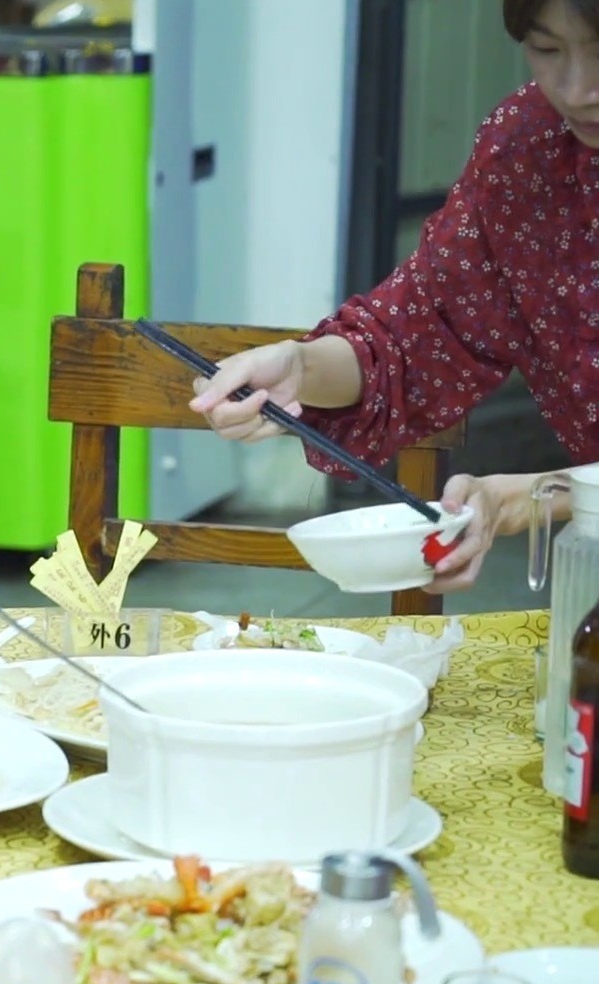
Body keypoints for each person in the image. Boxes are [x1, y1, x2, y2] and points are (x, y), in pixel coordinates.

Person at [191, 0, 599, 593]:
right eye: (546, 49)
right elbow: (415, 334)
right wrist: (301, 368)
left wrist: (534, 497)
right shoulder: (529, 149)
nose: (577, 88)